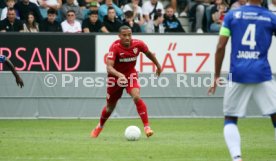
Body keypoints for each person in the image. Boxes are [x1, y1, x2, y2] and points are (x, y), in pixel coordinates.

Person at [208, 0, 276, 160]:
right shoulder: (270, 17)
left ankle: (237, 157)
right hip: (262, 73)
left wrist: (217, 75)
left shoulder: (231, 16)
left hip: (237, 74)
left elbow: (220, 46)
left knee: (230, 118)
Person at [91, 25, 162, 138]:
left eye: (129, 35)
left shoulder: (138, 44)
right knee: (110, 107)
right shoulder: (114, 47)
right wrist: (119, 75)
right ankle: (99, 126)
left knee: (136, 96)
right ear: (119, 36)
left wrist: (158, 65)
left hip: (130, 75)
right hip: (114, 78)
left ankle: (147, 127)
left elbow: (148, 53)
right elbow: (109, 67)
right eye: (124, 35)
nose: (127, 37)